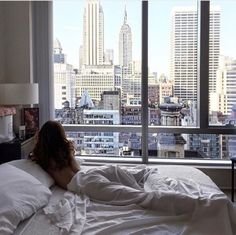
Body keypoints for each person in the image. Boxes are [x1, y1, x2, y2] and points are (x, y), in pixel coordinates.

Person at [30, 120, 197, 215]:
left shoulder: (45, 160)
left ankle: (192, 204)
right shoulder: (65, 151)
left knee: (137, 197)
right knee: (129, 176)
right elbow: (77, 167)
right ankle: (185, 200)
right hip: (89, 174)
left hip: (83, 183)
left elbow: (34, 157)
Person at [30, 120, 80, 189]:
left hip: (78, 182)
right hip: (79, 183)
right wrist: (71, 154)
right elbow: (77, 170)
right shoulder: (58, 156)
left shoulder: (43, 157)